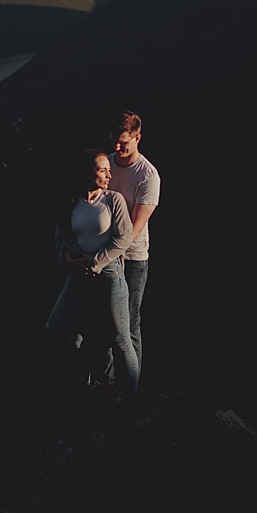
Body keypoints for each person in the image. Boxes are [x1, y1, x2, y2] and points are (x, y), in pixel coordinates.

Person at [45, 149, 139, 400]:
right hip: (79, 274)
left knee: (120, 338)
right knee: (75, 337)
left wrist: (96, 261)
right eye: (102, 170)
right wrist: (66, 255)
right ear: (88, 173)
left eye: (109, 170)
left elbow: (124, 238)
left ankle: (131, 398)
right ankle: (81, 392)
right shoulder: (72, 202)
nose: (109, 174)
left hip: (108, 273)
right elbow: (60, 238)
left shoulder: (113, 200)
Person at [107, 111, 159, 374]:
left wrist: (101, 255)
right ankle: (105, 380)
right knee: (103, 322)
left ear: (138, 138)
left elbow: (135, 231)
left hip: (132, 259)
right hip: (103, 257)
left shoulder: (148, 176)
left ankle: (131, 385)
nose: (117, 147)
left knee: (129, 323)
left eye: (124, 142)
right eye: (115, 140)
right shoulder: (105, 164)